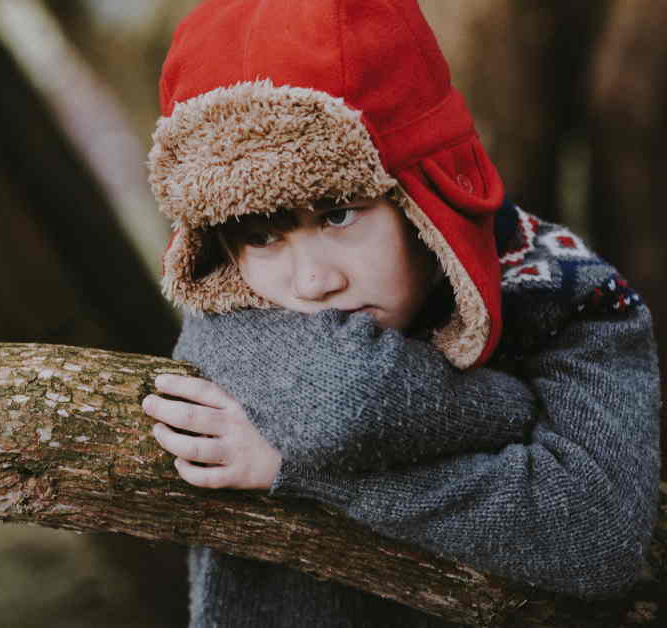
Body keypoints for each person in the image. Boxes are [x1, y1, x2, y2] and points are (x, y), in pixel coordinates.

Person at [137, 0, 662, 626]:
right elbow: (347, 401)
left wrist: (299, 468)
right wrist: (510, 413)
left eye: (338, 213)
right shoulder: (231, 297)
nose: (312, 281)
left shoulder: (574, 298)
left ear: (421, 197)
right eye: (262, 233)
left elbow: (594, 535)